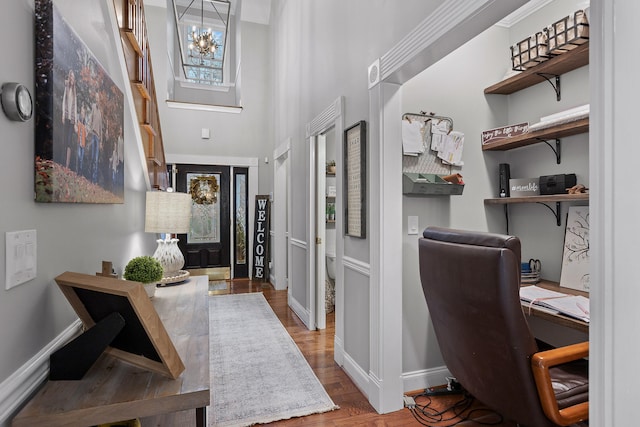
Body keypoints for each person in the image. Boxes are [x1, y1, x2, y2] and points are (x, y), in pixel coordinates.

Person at [61, 70, 77, 169]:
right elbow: (63, 101)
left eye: (73, 77)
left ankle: (67, 165)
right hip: (66, 117)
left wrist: (75, 122)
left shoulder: (75, 92)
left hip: (71, 120)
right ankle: (63, 163)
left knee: (69, 141)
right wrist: (63, 114)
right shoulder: (66, 88)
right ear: (69, 77)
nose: (72, 79)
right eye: (71, 77)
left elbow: (75, 107)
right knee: (65, 140)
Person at [89, 100, 102, 184]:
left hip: (98, 137)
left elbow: (101, 127)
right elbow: (90, 119)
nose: (98, 101)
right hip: (93, 135)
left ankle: (94, 179)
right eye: (97, 99)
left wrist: (101, 141)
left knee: (96, 159)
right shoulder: (93, 107)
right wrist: (90, 129)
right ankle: (90, 177)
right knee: (92, 157)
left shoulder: (100, 113)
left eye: (99, 100)